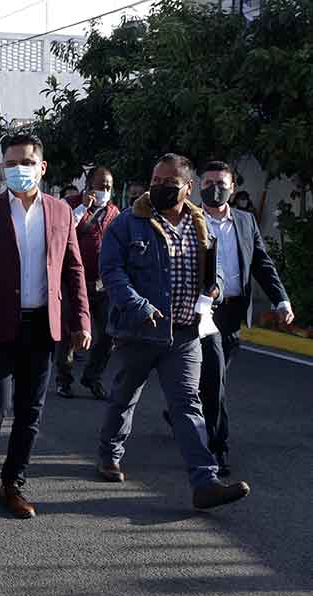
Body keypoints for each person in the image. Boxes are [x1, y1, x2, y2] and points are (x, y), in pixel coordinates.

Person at [96, 152, 249, 510]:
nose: (160, 189)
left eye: (169, 183)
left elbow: (218, 271)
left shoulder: (201, 226)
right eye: (156, 182)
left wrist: (213, 288)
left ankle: (205, 481)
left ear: (188, 187)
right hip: (139, 332)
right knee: (124, 396)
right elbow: (112, 272)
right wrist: (138, 305)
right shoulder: (129, 224)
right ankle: (109, 454)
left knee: (187, 405)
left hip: (184, 335)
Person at [0, 133, 91, 519]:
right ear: (3, 168)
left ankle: (13, 483)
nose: (20, 170)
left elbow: (73, 268)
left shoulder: (61, 212)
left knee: (30, 412)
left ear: (42, 167)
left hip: (41, 327)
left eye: (27, 162)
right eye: (12, 163)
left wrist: (81, 319)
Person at [182, 161, 293, 475]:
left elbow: (262, 263)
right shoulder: (188, 219)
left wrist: (280, 299)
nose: (214, 188)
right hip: (201, 310)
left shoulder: (245, 221)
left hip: (233, 311)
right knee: (214, 376)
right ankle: (216, 450)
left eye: (221, 182)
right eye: (208, 182)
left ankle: (186, 410)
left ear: (232, 187)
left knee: (213, 379)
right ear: (199, 185)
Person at [55, 166, 120, 400]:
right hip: (73, 282)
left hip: (102, 284)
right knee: (70, 334)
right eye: (102, 186)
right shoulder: (68, 205)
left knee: (108, 333)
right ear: (89, 186)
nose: (106, 191)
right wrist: (83, 207)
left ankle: (93, 376)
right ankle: (64, 378)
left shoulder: (114, 212)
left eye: (109, 187)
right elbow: (61, 232)